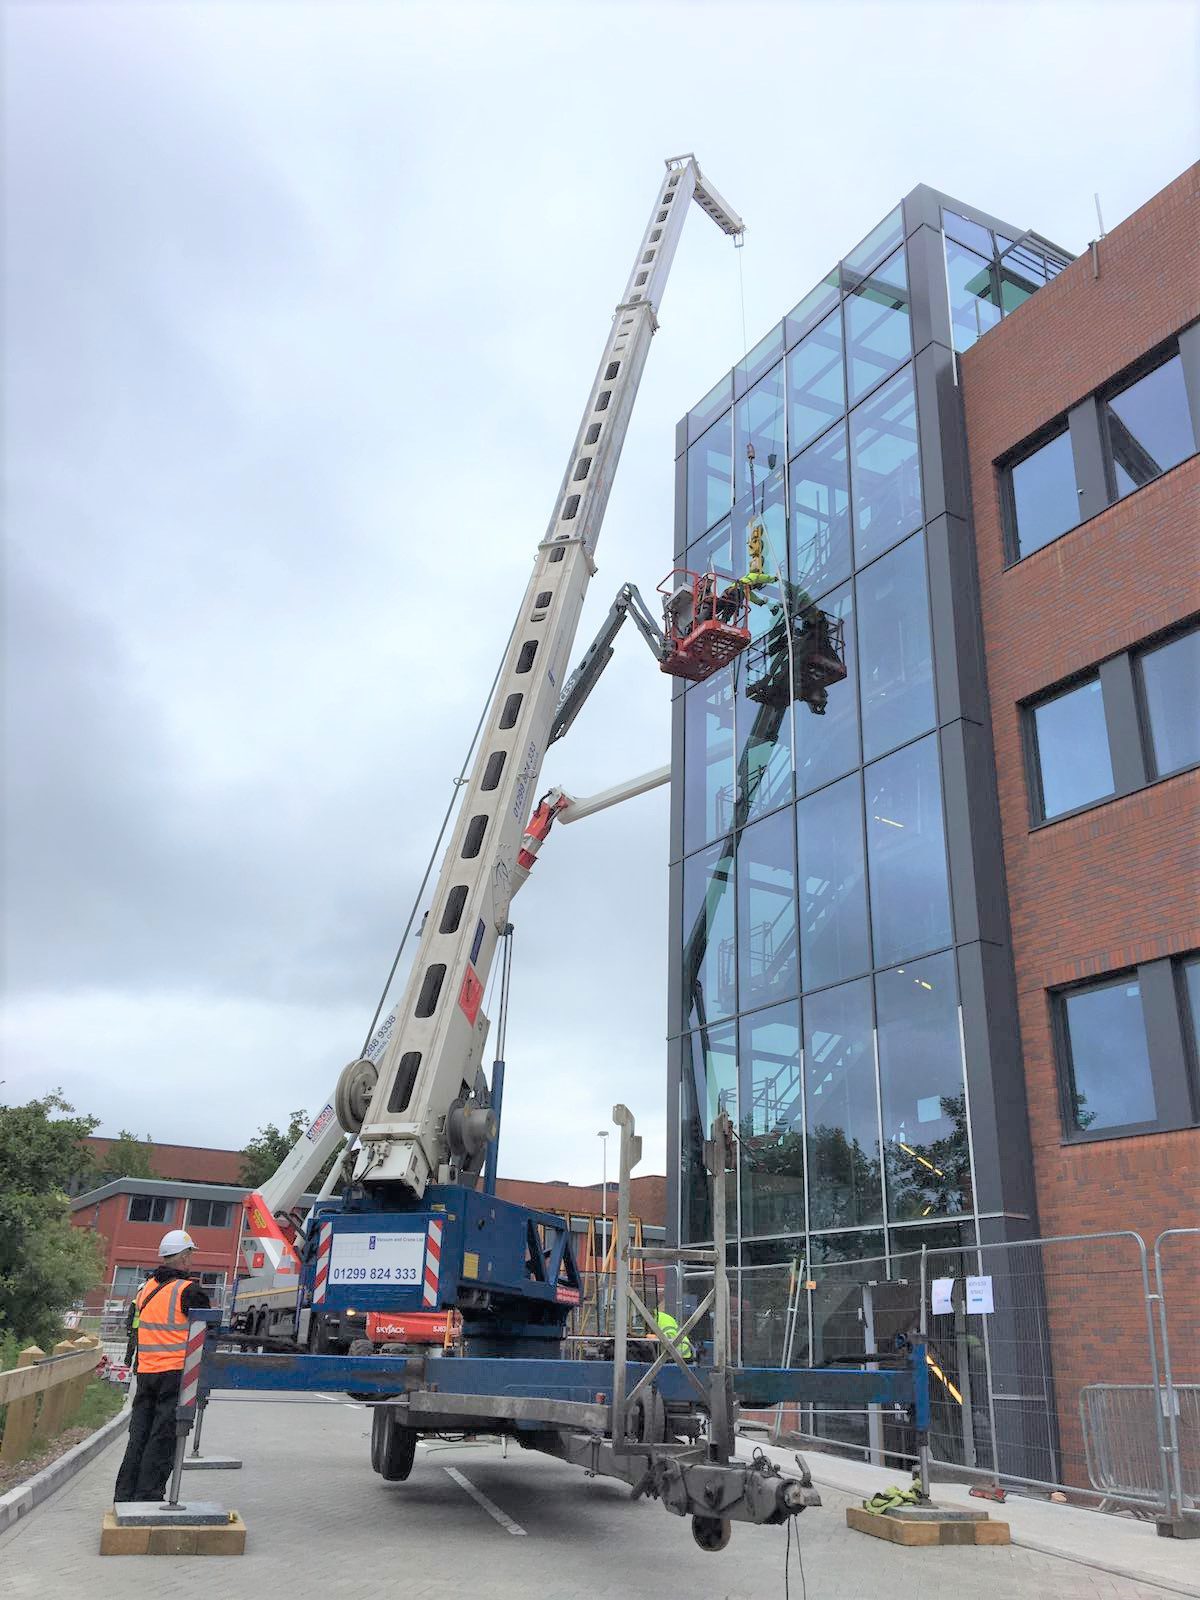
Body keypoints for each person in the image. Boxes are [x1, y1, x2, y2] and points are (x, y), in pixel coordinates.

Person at [114, 1229, 210, 1504]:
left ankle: (124, 1495)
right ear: (183, 1257)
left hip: (146, 1372)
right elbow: (207, 1328)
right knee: (163, 1436)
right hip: (174, 1372)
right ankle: (148, 1496)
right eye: (190, 1254)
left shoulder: (145, 1289)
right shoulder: (188, 1291)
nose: (191, 1260)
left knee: (139, 1433)